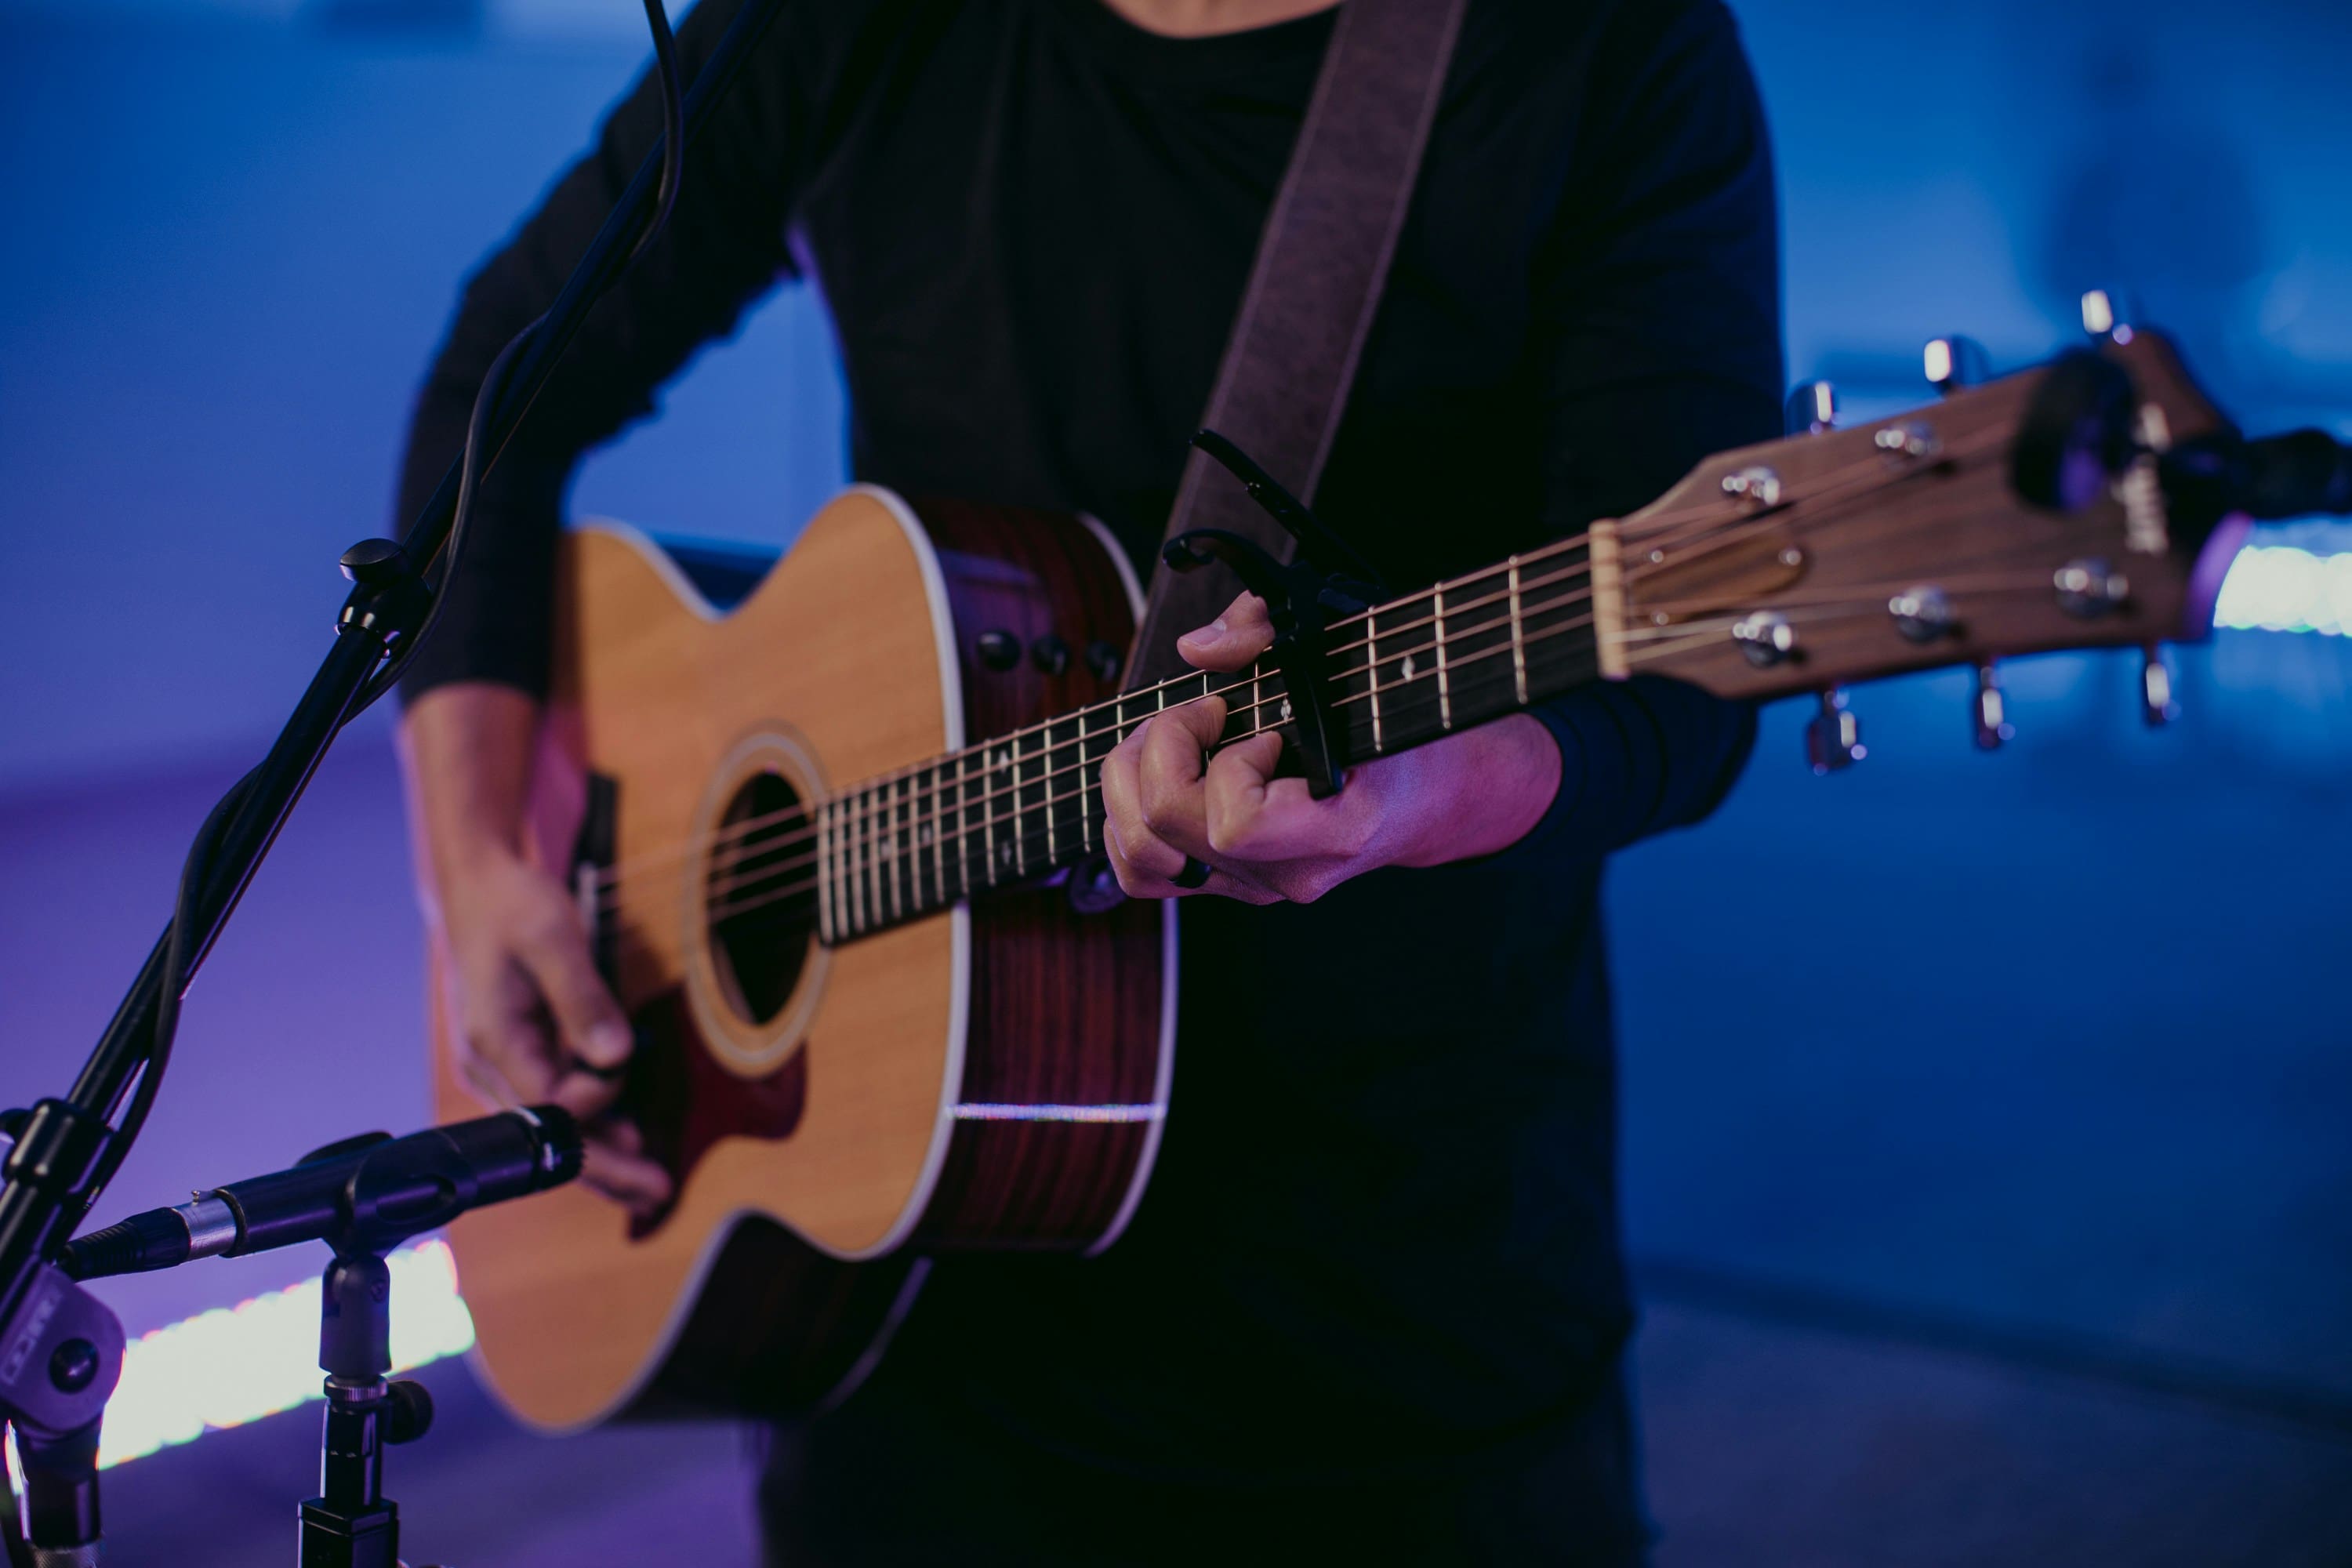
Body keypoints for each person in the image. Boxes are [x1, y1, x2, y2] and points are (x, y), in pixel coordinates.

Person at [395, 0, 1780, 1560]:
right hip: (899, 1304)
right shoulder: (837, 25)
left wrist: (1397, 800)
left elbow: (1684, 666)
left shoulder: (1599, 44)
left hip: (1400, 1293)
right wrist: (481, 867)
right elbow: (498, 392)